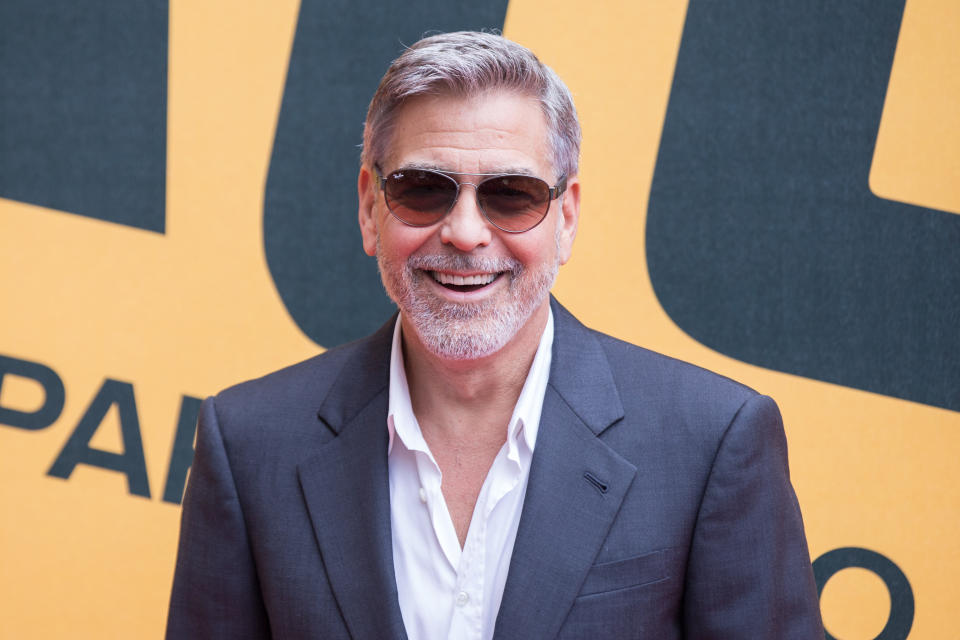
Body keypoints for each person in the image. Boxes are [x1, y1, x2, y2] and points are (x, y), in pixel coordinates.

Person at [167, 31, 823, 639]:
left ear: (565, 219)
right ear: (370, 208)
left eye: (511, 194)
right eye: (424, 189)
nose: (466, 233)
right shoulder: (249, 443)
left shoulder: (711, 441)